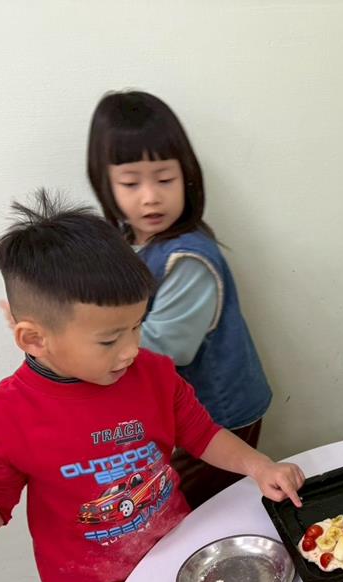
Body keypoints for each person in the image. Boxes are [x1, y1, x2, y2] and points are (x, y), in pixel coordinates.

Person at [0, 193, 304, 582]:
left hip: (177, 555)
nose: (132, 349)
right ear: (34, 338)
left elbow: (202, 434)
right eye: (109, 339)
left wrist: (258, 465)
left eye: (137, 325)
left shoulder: (153, 372)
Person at [87, 90, 272, 508]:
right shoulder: (127, 242)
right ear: (106, 185)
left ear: (187, 177)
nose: (150, 196)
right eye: (130, 183)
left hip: (219, 420)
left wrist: (83, 343)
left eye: (164, 180)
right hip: (185, 416)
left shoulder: (187, 258)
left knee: (199, 509)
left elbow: (166, 346)